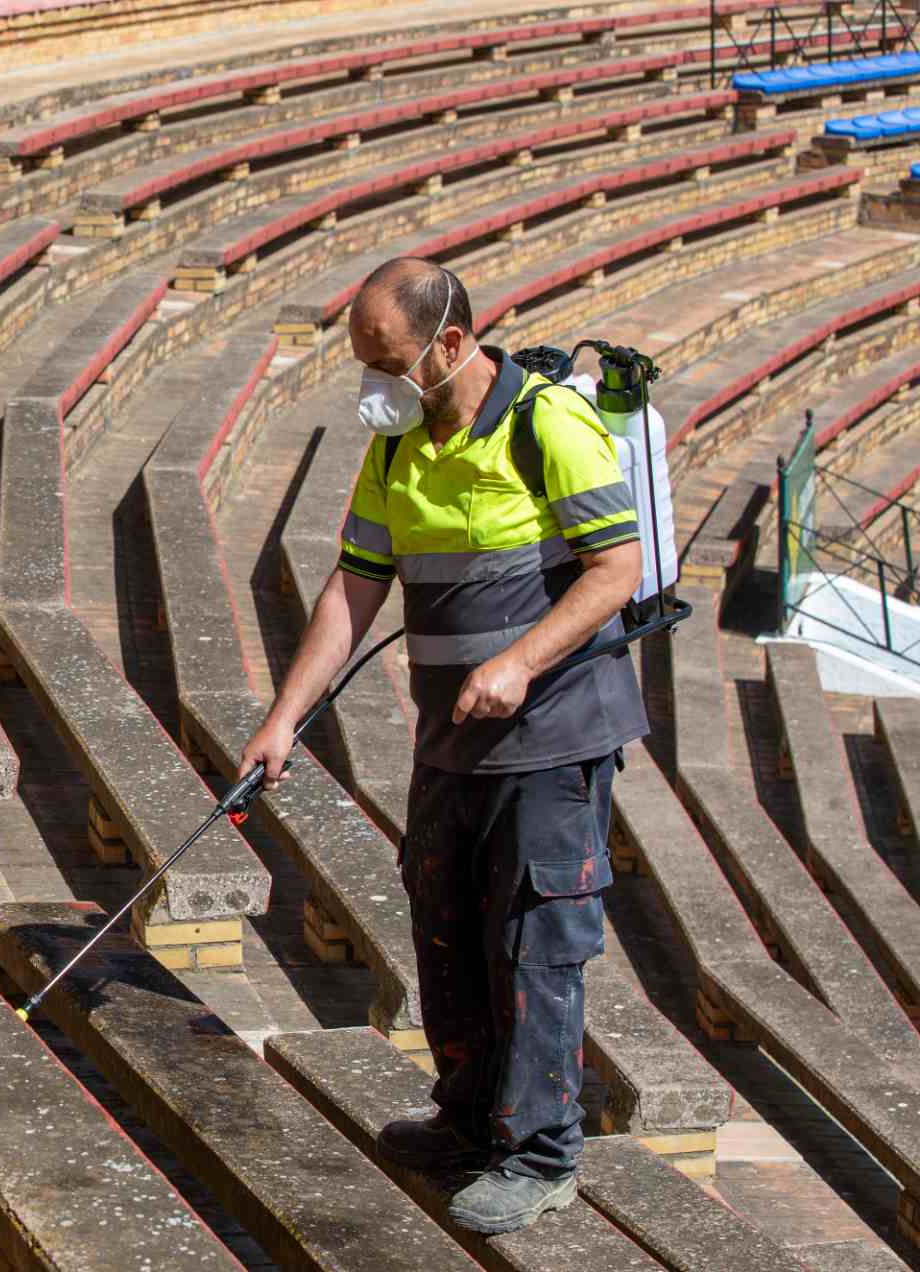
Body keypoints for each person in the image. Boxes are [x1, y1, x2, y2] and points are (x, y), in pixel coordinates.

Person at [238, 258, 647, 1234]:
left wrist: (522, 660)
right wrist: (284, 717)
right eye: (363, 363)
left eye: (384, 361)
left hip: (552, 737)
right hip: (453, 739)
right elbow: (352, 590)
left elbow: (617, 567)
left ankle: (542, 1153)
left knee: (535, 937)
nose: (372, 382)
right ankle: (467, 1119)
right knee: (445, 919)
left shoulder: (548, 424)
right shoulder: (397, 449)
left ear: (450, 344)